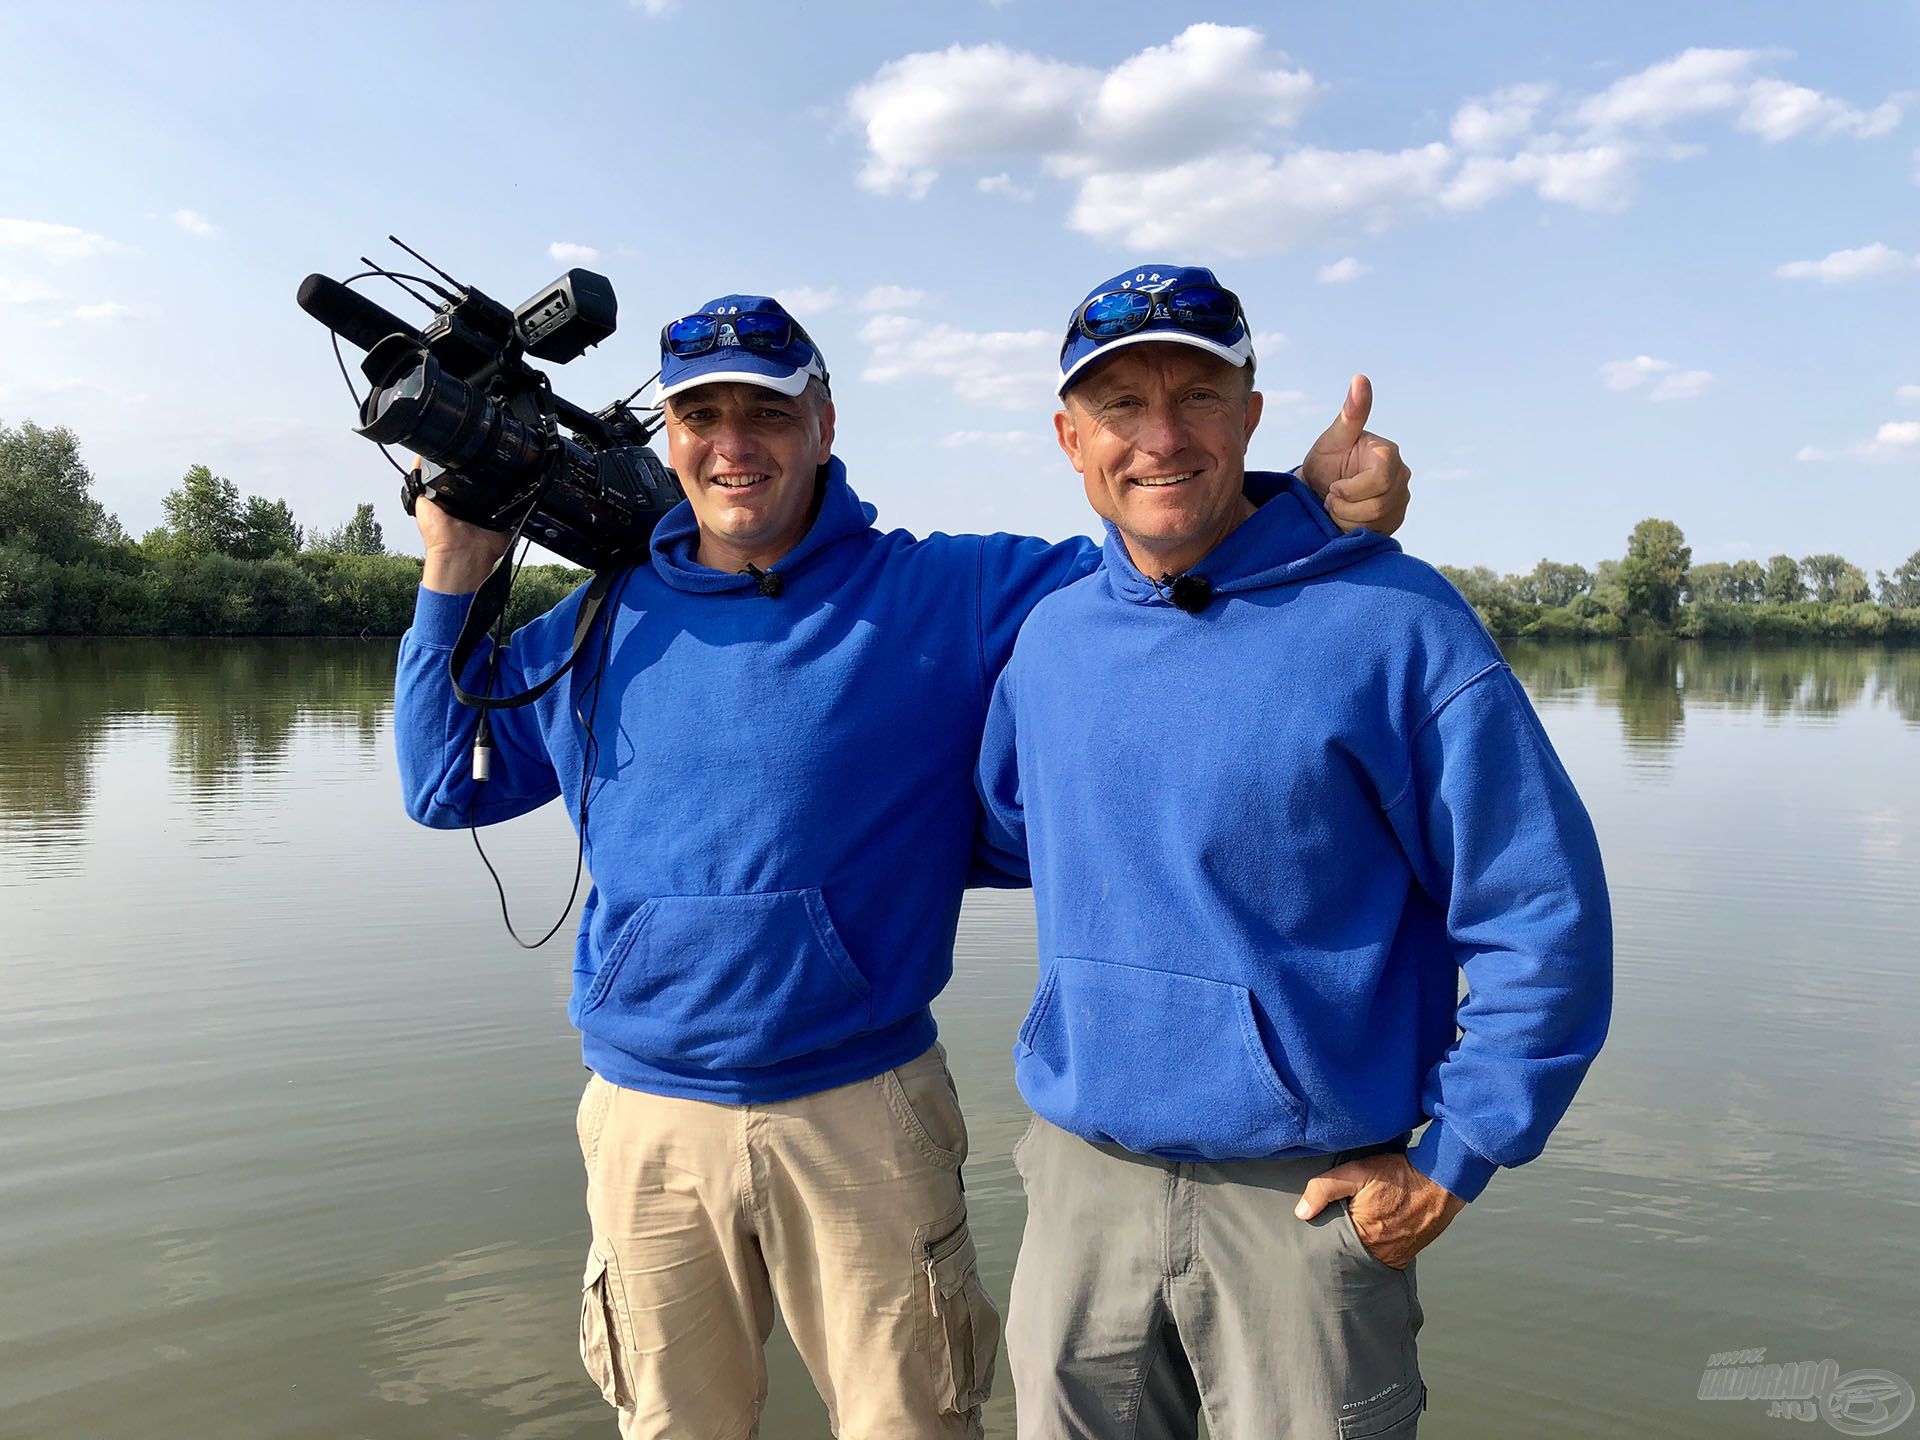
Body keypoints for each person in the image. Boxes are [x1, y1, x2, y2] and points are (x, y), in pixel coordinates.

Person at [393, 291, 1414, 1440]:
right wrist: (455, 569)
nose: (735, 446)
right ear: (670, 436)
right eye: (703, 416)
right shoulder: (598, 621)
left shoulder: (952, 591)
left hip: (865, 1111)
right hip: (645, 1122)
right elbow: (447, 784)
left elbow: (1165, 551)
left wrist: (1309, 507)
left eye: (767, 414)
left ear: (823, 424)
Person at [974, 265, 1613, 1440]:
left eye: (1198, 396)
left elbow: (1540, 918)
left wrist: (1453, 1156)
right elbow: (1012, 831)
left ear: (1252, 414)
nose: (1161, 437)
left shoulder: (1399, 624)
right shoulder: (1050, 638)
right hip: (1079, 1184)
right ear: (1070, 439)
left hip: (1308, 1200)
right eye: (1121, 406)